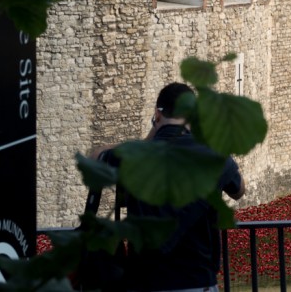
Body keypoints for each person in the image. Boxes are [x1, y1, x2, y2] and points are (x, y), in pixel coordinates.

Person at [94, 82, 245, 292]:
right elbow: (238, 191)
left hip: (147, 281)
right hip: (198, 279)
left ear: (157, 114)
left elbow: (95, 157)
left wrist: (147, 140)